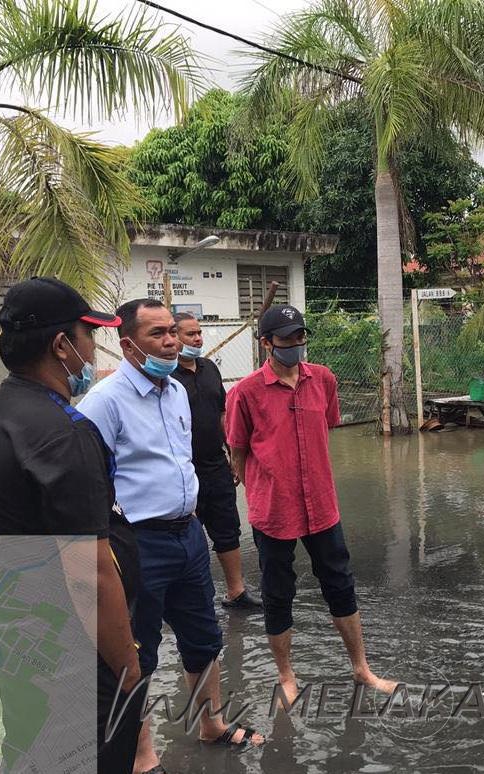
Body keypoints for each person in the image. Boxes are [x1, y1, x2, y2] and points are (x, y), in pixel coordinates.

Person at [0, 277, 143, 773]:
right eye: (88, 337)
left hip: (20, 638)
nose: (93, 350)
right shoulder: (63, 433)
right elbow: (90, 573)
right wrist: (129, 670)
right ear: (62, 345)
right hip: (72, 657)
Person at [79, 299, 262, 774]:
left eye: (172, 333)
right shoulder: (103, 402)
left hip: (188, 535)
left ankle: (212, 724)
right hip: (138, 544)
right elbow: (87, 482)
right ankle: (142, 757)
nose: (170, 341)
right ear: (127, 345)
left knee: (204, 638)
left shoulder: (177, 391)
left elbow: (183, 459)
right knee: (134, 651)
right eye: (157, 334)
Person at [224, 305, 396, 704]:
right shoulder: (245, 393)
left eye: (301, 337)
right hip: (274, 510)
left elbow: (326, 428)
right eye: (287, 339)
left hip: (321, 505)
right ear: (267, 343)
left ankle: (362, 669)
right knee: (278, 591)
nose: (296, 345)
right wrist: (258, 482)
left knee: (340, 583)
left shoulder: (323, 380)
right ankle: (286, 675)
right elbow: (238, 449)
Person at [172, 312, 261, 612]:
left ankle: (236, 592)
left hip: (215, 464)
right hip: (183, 469)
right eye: (189, 334)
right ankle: (189, 599)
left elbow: (223, 415)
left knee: (228, 528)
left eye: (199, 333)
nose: (197, 339)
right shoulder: (166, 377)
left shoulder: (210, 368)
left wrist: (232, 454)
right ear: (175, 337)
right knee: (187, 533)